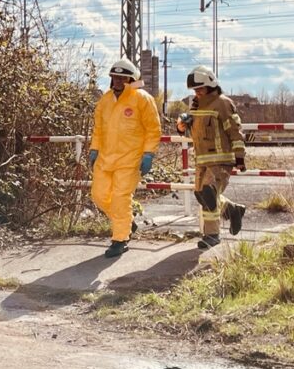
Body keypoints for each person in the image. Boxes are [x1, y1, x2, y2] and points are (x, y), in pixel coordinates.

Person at [88, 57, 161, 258]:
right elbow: (98, 129)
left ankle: (120, 240)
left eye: (122, 78)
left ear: (131, 79)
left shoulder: (142, 99)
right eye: (115, 77)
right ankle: (127, 223)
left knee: (120, 199)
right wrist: (94, 149)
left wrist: (148, 154)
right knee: (99, 196)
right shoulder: (105, 100)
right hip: (105, 158)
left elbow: (153, 129)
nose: (118, 81)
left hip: (130, 159)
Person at [176, 65, 246, 249]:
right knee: (202, 195)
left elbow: (235, 131)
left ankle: (212, 235)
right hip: (202, 161)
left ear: (211, 85)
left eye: (200, 88)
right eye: (195, 90)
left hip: (221, 161)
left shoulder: (223, 103)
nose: (197, 92)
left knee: (208, 193)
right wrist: (182, 127)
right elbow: (195, 134)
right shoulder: (196, 106)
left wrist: (240, 157)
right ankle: (231, 209)